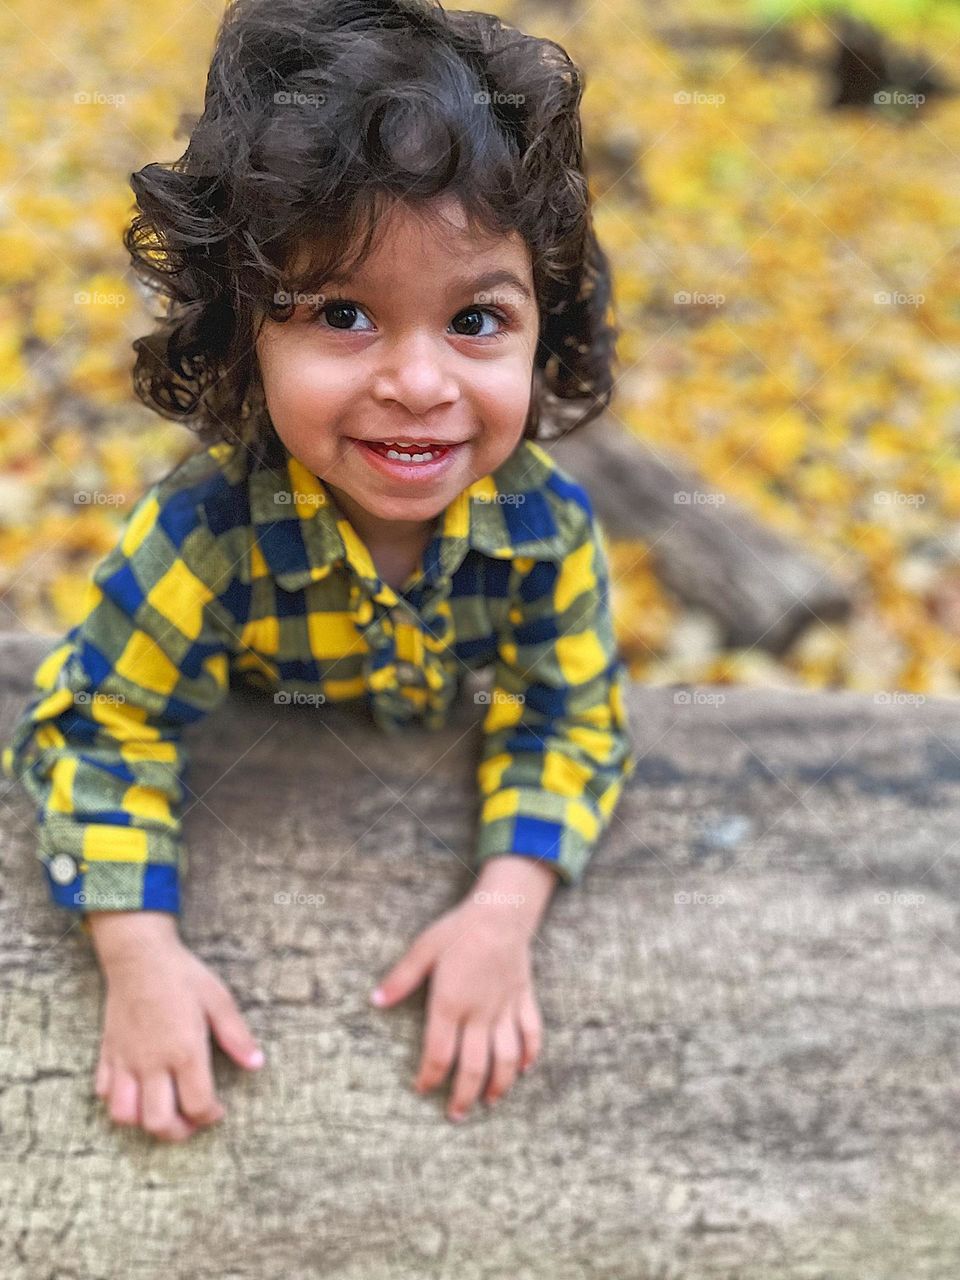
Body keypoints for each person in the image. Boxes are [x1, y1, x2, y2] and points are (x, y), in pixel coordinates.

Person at [2, 0, 636, 1141]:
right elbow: (100, 724)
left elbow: (572, 716)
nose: (418, 381)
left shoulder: (545, 534)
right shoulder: (207, 534)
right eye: (343, 312)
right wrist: (136, 949)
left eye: (476, 319)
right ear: (246, 330)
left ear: (546, 318)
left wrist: (505, 905)